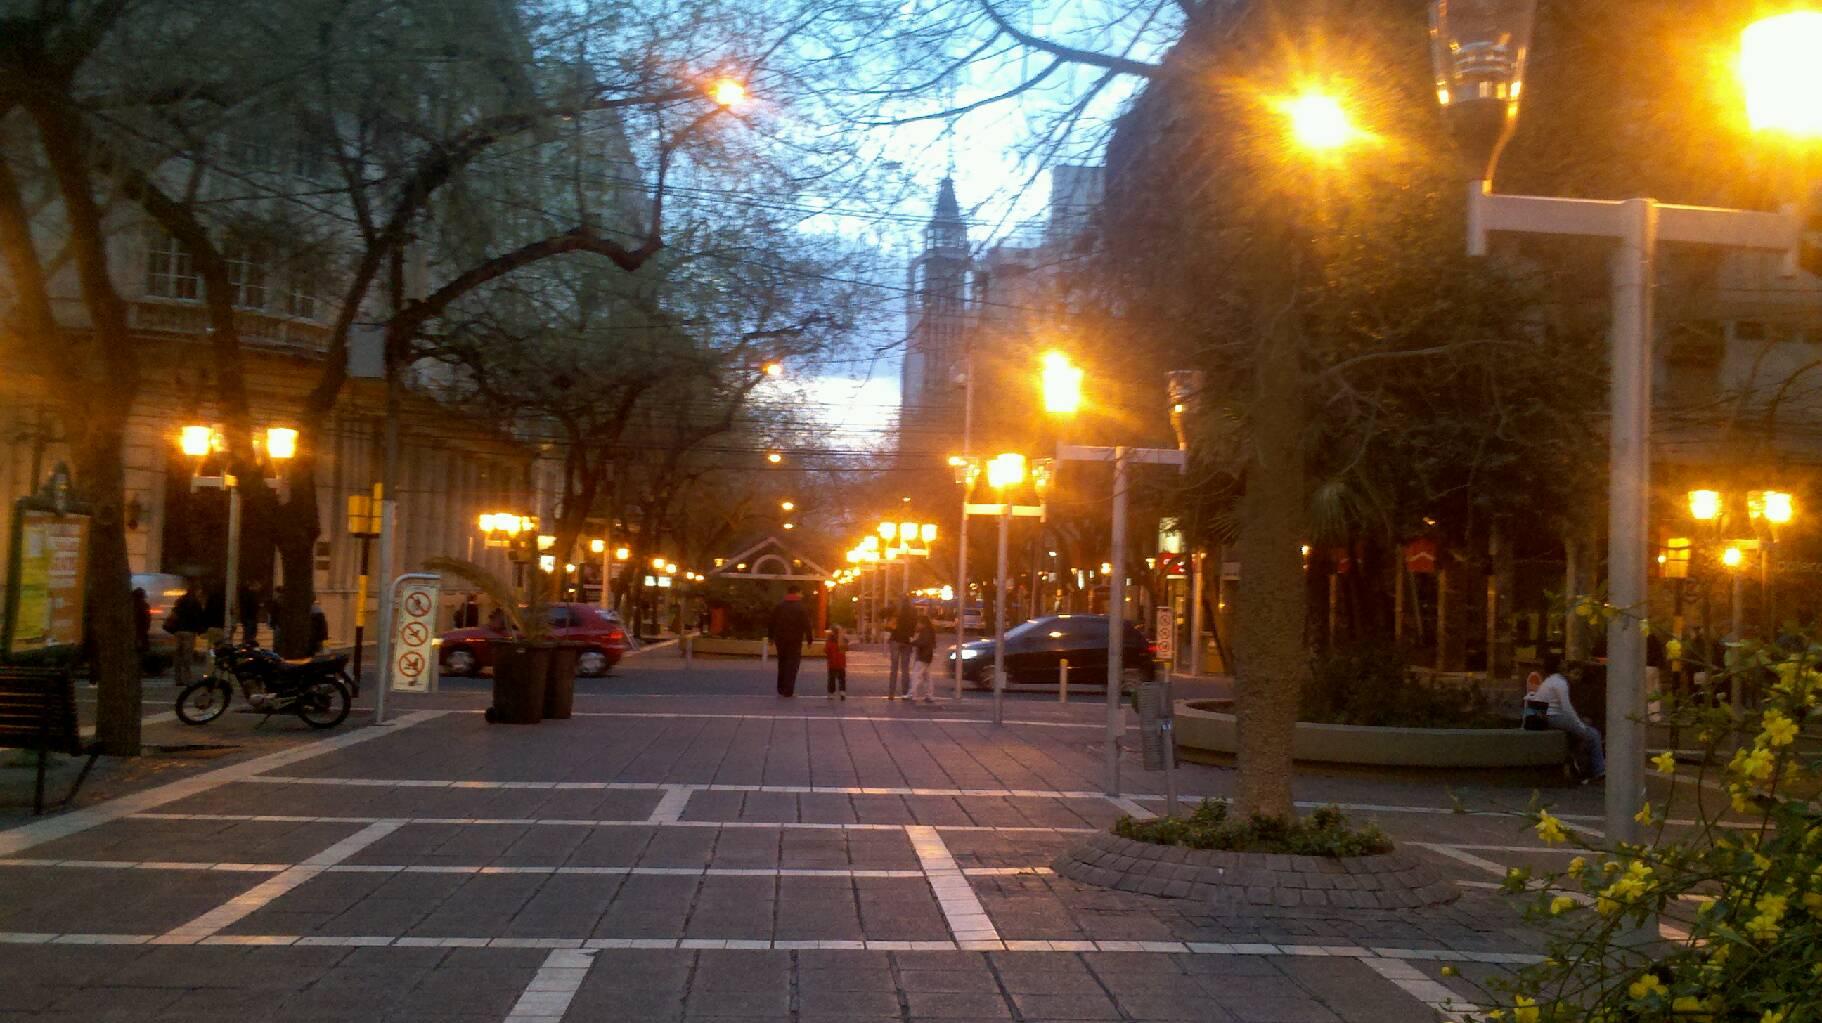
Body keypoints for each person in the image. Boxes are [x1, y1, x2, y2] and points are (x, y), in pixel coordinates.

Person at [1530, 655, 1605, 781]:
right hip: (1554, 717)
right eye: (1562, 662)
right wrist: (1579, 724)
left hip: (1547, 717)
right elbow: (1567, 708)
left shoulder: (1550, 681)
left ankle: (1582, 764)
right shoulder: (1560, 683)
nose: (1565, 663)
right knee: (1593, 734)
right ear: (1559, 666)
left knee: (1585, 732)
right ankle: (1599, 770)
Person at [767, 584, 813, 697]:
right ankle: (788, 690)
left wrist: (770, 637)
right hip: (795, 640)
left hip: (780, 639)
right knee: (792, 664)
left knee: (782, 663)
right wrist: (809, 639)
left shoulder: (780, 606)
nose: (802, 595)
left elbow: (772, 622)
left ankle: (781, 688)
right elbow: (807, 624)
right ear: (797, 593)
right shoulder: (801, 607)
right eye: (801, 593)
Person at [164, 581, 205, 685]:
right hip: (189, 630)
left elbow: (174, 613)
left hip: (178, 630)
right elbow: (199, 617)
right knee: (187, 655)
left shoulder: (180, 601)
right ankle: (187, 677)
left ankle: (177, 678)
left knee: (178, 654)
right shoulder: (195, 603)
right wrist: (201, 630)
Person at [886, 598, 915, 700]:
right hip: (906, 642)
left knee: (894, 669)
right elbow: (914, 628)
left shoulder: (896, 612)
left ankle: (891, 694)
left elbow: (888, 625)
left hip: (895, 640)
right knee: (905, 669)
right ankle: (905, 693)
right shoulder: (912, 613)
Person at [909, 611, 937, 703]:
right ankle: (929, 695)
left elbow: (923, 643)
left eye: (918, 623)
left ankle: (912, 694)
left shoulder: (926, 632)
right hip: (927, 656)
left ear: (923, 623)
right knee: (927, 677)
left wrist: (913, 642)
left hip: (923, 657)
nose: (917, 625)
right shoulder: (928, 631)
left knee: (916, 675)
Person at [825, 625, 849, 700]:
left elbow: (826, 650)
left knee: (831, 679)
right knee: (842, 678)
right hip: (841, 663)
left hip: (832, 663)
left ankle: (831, 693)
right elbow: (846, 649)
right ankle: (842, 692)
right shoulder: (843, 641)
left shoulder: (829, 641)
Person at [131, 588, 151, 661]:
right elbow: (147, 619)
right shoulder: (144, 605)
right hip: (141, 631)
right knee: (141, 650)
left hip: (133, 631)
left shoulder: (128, 605)